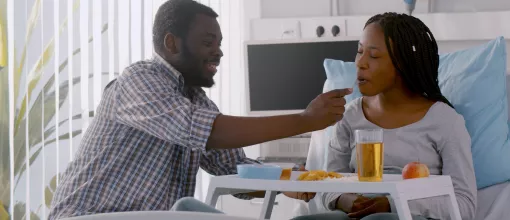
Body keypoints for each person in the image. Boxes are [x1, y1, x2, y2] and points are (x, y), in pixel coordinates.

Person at [47, 0, 351, 219]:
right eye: (208, 42)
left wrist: (295, 179)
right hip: (89, 215)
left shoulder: (197, 102)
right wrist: (305, 120)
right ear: (172, 44)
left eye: (219, 42)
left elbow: (233, 169)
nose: (218, 51)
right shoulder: (138, 81)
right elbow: (201, 129)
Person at [285, 13, 477, 220]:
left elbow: (464, 204)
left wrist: (392, 204)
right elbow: (330, 184)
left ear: (402, 64)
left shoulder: (444, 121)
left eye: (374, 56)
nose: (360, 63)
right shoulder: (350, 116)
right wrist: (345, 200)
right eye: (360, 52)